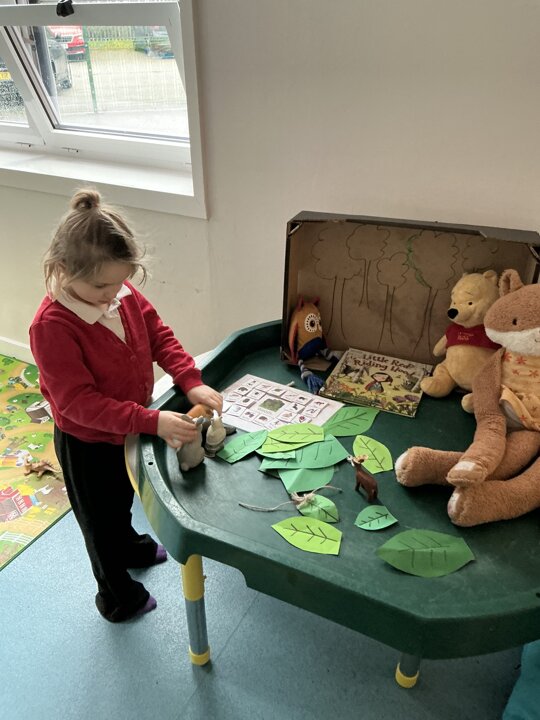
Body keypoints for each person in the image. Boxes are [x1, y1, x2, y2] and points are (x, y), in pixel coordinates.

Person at [29, 188, 222, 623]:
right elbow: (78, 403)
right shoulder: (51, 326)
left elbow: (159, 335)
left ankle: (131, 546)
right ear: (63, 270)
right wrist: (150, 421)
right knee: (97, 523)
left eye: (120, 282)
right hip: (86, 442)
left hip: (128, 429)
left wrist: (189, 380)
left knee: (122, 501)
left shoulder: (122, 294)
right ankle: (116, 596)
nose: (112, 294)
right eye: (101, 286)